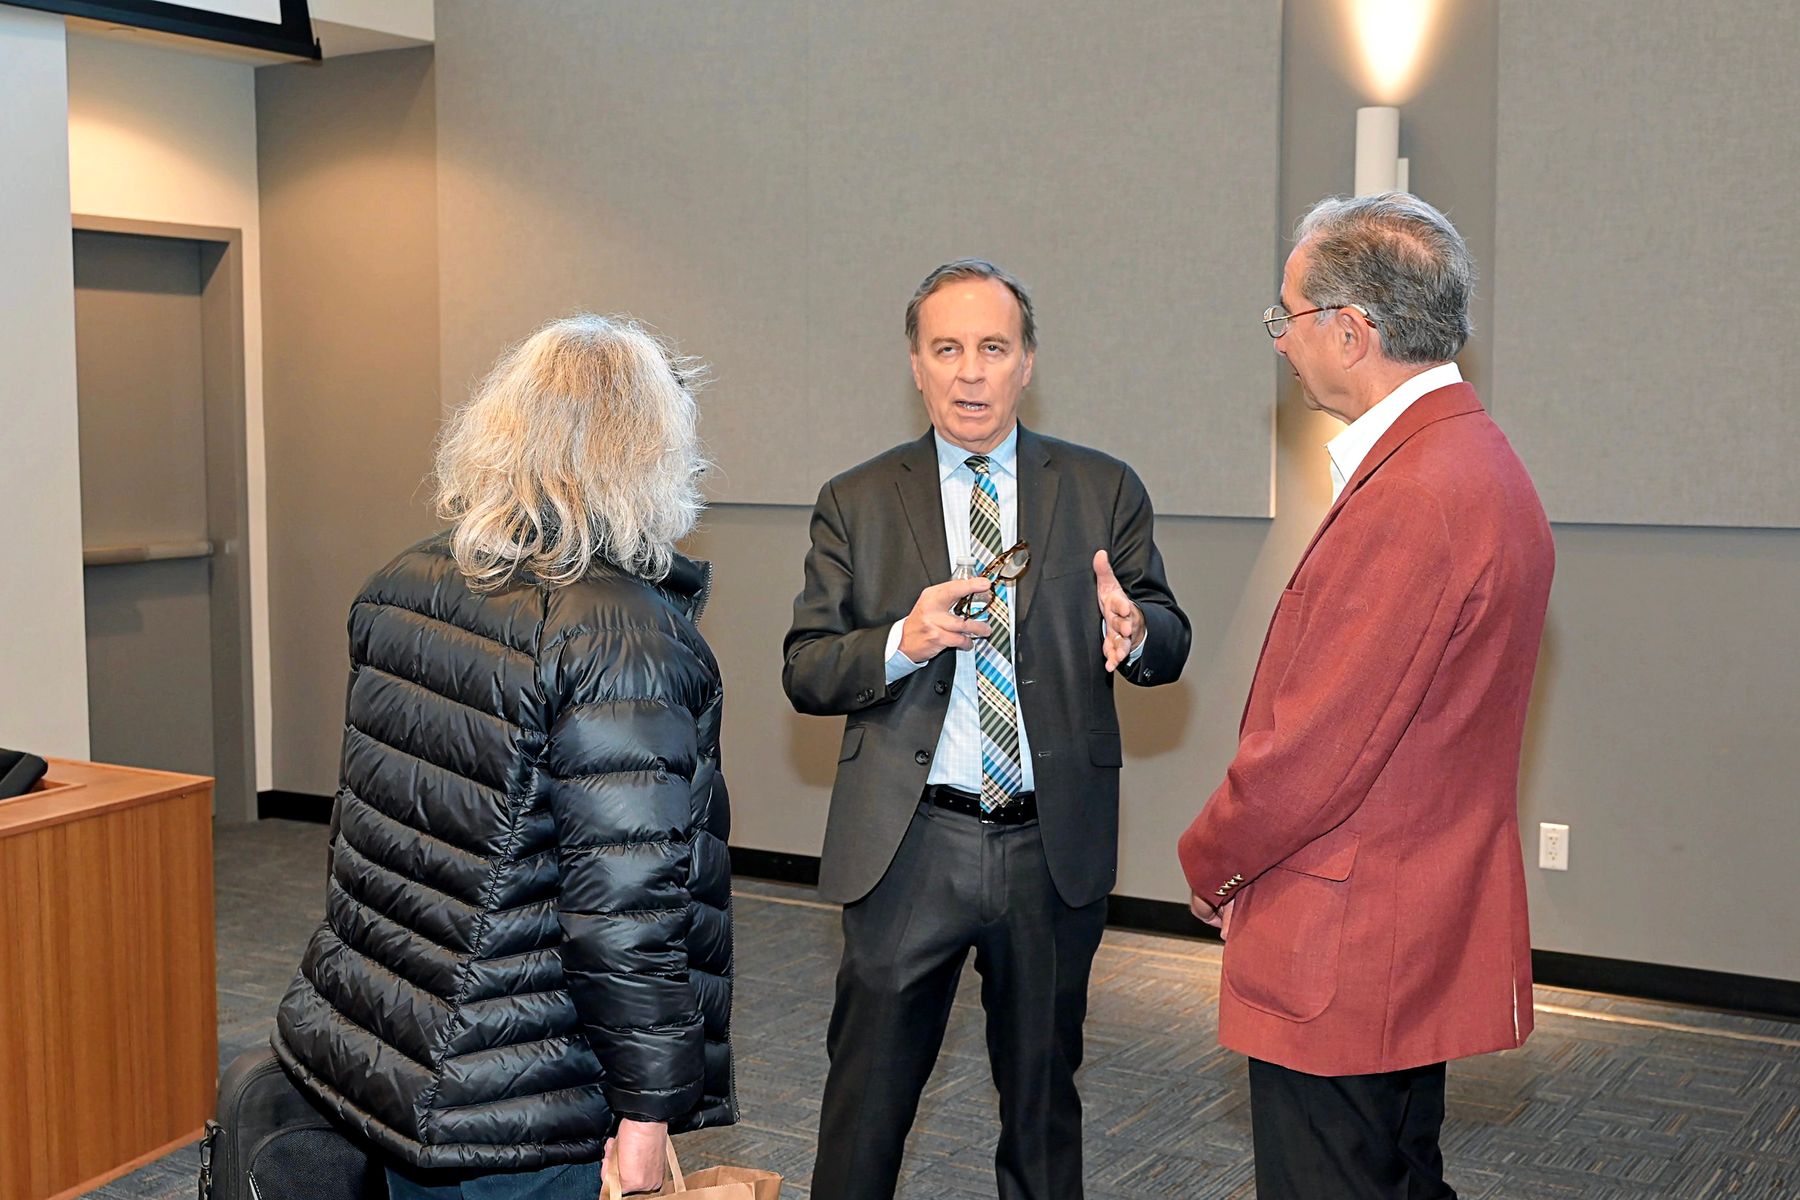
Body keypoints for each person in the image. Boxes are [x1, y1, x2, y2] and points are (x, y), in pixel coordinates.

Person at [274, 315, 734, 1199]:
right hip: (523, 1094)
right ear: (647, 451)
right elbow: (626, 908)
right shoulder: (622, 638)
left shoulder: (404, 582)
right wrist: (649, 1113)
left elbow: (365, 835)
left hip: (387, 1049)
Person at [784, 258, 1191, 1199]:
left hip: (1049, 849)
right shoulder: (856, 499)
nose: (970, 372)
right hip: (908, 845)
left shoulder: (1101, 487)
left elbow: (1168, 634)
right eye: (948, 349)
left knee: (1043, 1115)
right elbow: (806, 668)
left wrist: (1136, 633)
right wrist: (903, 640)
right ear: (916, 366)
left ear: (1028, 364)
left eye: (993, 348)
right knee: (865, 1115)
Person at [1178, 193, 1554, 1199]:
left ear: (1350, 331)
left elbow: (1315, 756)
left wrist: (1211, 859)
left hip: (1344, 944)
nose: (1280, 341)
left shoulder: (1416, 495)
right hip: (1407, 928)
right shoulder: (1476, 461)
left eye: (1289, 316)